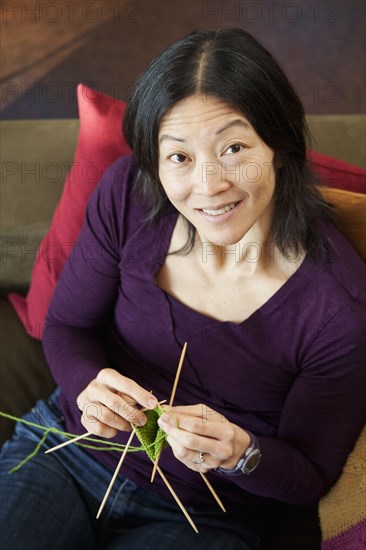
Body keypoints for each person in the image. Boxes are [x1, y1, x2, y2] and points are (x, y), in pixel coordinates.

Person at [1, 28, 365, 550]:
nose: (209, 184)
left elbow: (309, 475)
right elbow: (67, 325)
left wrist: (243, 452)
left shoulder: (338, 311)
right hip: (71, 452)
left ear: (281, 148)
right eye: (179, 157)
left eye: (234, 147)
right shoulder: (129, 192)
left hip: (206, 515)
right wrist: (88, 385)